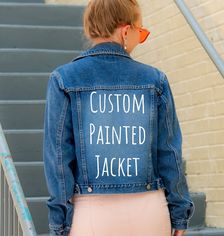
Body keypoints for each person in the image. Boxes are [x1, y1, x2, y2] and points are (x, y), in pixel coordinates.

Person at [43, 0, 195, 235]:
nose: (140, 38)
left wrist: (59, 223)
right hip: (149, 212)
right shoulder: (156, 81)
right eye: (141, 32)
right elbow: (169, 153)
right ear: (126, 31)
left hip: (90, 214)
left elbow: (58, 159)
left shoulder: (63, 79)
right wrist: (179, 213)